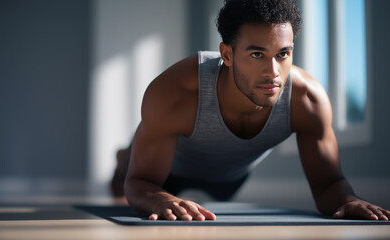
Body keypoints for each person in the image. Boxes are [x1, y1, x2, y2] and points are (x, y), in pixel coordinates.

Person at [112, 0, 390, 221]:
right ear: (227, 54)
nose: (273, 73)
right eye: (257, 55)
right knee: (127, 174)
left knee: (219, 189)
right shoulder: (175, 92)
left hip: (232, 178)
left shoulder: (307, 100)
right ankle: (125, 155)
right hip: (171, 169)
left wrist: (348, 200)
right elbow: (140, 182)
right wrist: (157, 196)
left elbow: (329, 184)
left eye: (282, 54)